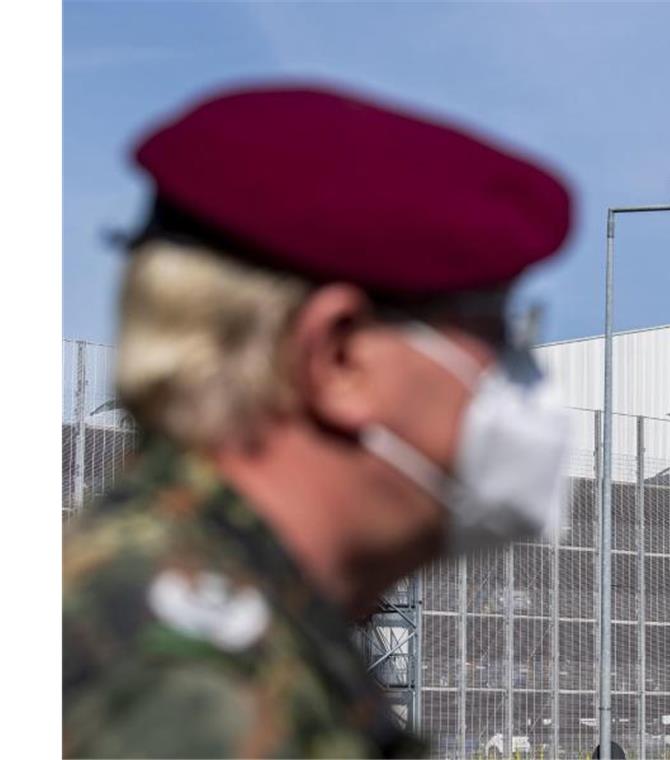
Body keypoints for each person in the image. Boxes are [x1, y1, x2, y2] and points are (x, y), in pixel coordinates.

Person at [62, 84, 574, 758]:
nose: (522, 380)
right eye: (495, 335)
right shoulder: (187, 690)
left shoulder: (242, 630)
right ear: (338, 359)